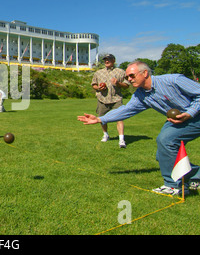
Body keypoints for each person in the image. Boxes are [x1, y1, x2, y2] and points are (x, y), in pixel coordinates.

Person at [78, 60, 200, 196]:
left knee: (166, 141)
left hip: (196, 116)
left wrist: (189, 113)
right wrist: (100, 119)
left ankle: (173, 186)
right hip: (178, 120)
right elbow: (126, 110)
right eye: (127, 77)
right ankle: (195, 176)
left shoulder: (173, 80)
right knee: (162, 155)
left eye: (132, 76)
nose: (129, 80)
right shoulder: (140, 95)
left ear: (145, 73)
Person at [91, 54, 130, 148]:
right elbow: (93, 84)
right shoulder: (98, 72)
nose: (106, 61)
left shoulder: (120, 72)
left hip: (116, 99)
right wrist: (99, 88)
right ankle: (105, 134)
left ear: (113, 60)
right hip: (102, 99)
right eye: (105, 60)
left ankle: (121, 140)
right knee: (101, 119)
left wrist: (118, 83)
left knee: (119, 118)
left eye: (108, 59)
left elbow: (127, 85)